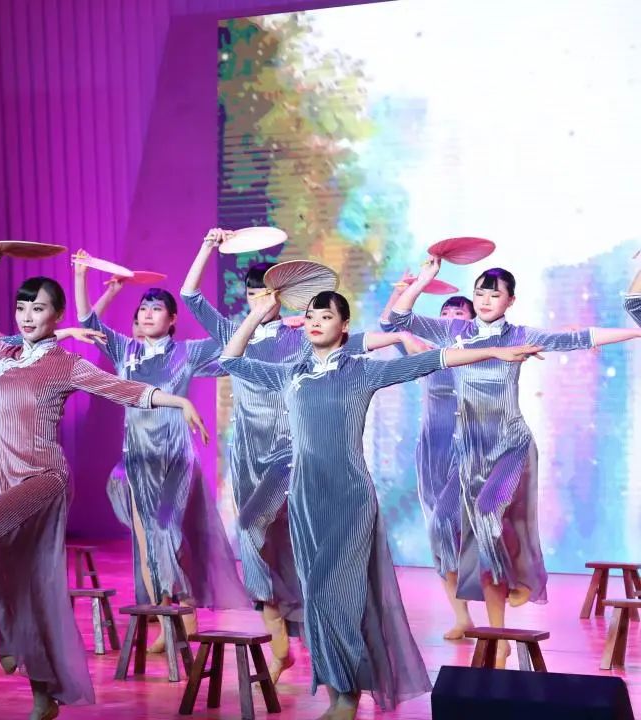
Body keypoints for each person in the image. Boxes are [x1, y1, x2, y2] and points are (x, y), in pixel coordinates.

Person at [221, 289, 542, 719]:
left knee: (340, 594)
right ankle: (337, 690)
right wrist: (257, 313)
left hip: (350, 499)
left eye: (326, 316)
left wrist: (497, 351)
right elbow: (230, 360)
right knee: (316, 597)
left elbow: (435, 360)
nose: (315, 321)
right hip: (304, 502)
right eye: (311, 315)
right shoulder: (290, 374)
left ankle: (349, 691)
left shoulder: (361, 372)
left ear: (344, 327)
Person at [0, 252, 209, 720]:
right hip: (10, 484)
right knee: (27, 586)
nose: (26, 316)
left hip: (45, 481)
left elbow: (122, 388)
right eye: (21, 308)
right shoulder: (0, 354)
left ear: (56, 316)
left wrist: (177, 401)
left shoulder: (66, 364)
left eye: (38, 308)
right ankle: (44, 692)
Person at [178, 229, 425, 677]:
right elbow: (190, 295)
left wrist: (399, 337)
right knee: (263, 545)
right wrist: (206, 246)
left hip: (290, 452)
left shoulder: (300, 337)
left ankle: (325, 628)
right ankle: (281, 643)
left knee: (258, 526)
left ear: (281, 297)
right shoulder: (235, 334)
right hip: (246, 453)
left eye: (265, 294)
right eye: (251, 294)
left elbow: (360, 341)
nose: (258, 300)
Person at [390, 259, 641, 666]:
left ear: (510, 300)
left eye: (495, 294)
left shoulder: (522, 335)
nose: (485, 300)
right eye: (480, 293)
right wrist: (422, 281)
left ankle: (519, 579)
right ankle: (498, 634)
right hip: (468, 452)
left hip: (510, 447)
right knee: (460, 531)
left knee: (487, 517)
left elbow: (579, 337)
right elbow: (398, 319)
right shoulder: (454, 333)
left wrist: (636, 331)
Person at [75, 255, 245, 651]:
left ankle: (185, 614)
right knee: (147, 540)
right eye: (143, 308)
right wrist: (82, 275)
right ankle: (166, 621)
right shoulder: (126, 350)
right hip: (136, 461)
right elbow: (87, 323)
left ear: (172, 319)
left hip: (173, 460)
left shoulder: (187, 352)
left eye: (156, 309)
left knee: (167, 533)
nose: (147, 314)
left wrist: (257, 314)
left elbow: (230, 340)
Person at [380, 277, 476, 640]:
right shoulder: (425, 352)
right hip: (431, 451)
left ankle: (491, 603)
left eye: (459, 313)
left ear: (471, 321)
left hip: (468, 449)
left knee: (449, 526)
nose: (450, 318)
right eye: (445, 312)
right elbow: (389, 326)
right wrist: (400, 290)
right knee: (439, 536)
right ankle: (462, 617)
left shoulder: (480, 351)